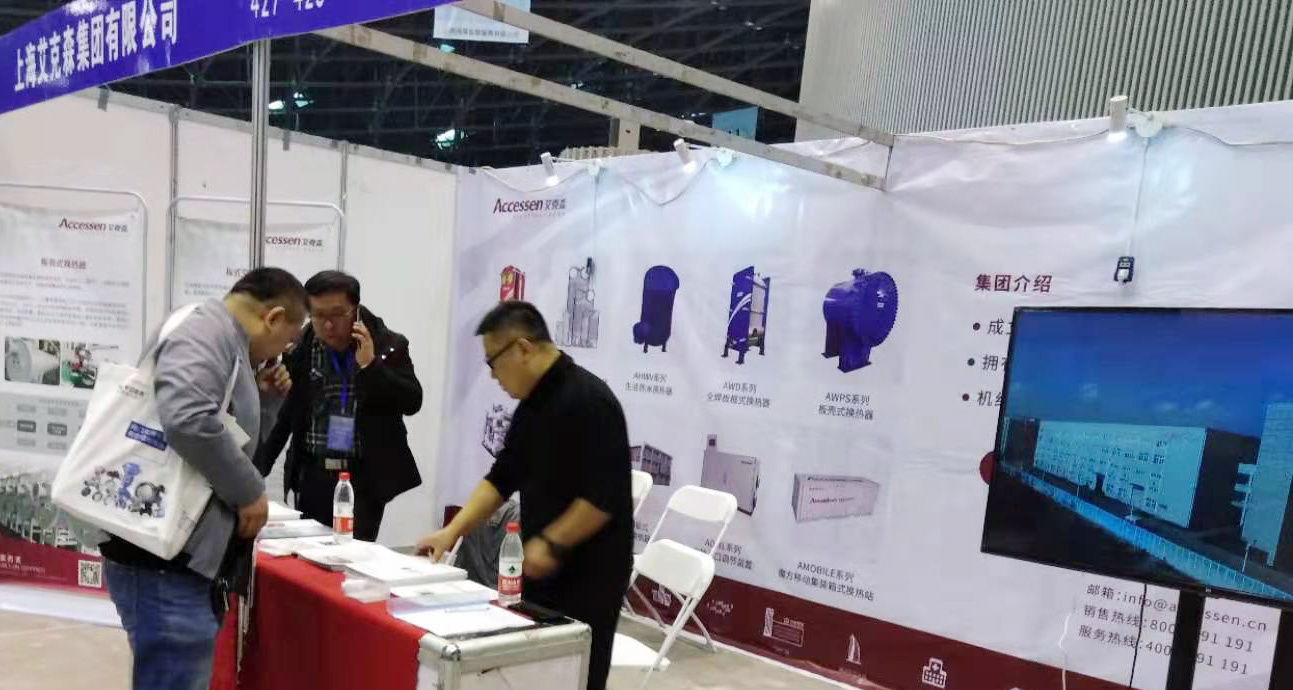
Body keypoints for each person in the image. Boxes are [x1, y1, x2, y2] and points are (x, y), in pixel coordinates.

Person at [99, 267, 306, 690]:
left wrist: (264, 398)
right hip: (163, 563)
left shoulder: (227, 345)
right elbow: (188, 418)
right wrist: (249, 493)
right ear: (272, 317)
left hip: (177, 558)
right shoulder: (206, 332)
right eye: (288, 340)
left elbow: (236, 440)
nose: (283, 352)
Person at [416, 301, 633, 690]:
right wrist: (451, 532)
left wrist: (550, 543)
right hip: (539, 569)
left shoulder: (590, 401)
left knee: (577, 676)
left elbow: (603, 498)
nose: (492, 375)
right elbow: (501, 478)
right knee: (534, 673)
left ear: (522, 348)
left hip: (588, 573)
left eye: (493, 362)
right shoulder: (532, 407)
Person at [255, 270, 422, 541]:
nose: (328, 325)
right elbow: (286, 416)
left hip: (363, 478)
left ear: (355, 310)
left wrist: (371, 367)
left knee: (353, 555)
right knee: (309, 553)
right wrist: (254, 474)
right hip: (313, 473)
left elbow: (413, 401)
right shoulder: (299, 349)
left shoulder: (387, 344)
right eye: (318, 315)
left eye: (337, 314)